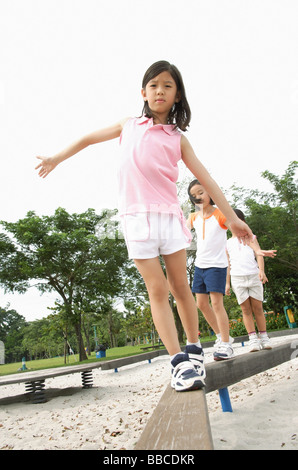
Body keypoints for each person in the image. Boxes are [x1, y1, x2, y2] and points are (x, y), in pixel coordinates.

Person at [35, 60, 253, 391]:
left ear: (177, 95)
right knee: (157, 290)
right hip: (136, 221)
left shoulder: (178, 139)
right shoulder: (128, 125)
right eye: (153, 85)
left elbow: (206, 177)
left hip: (167, 218)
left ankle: (194, 348)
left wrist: (234, 218)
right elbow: (88, 139)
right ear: (143, 92)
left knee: (181, 288)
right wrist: (56, 158)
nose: (159, 91)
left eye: (167, 86)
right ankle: (178, 362)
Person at [187, 179, 235, 361]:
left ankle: (227, 345)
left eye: (201, 192)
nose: (198, 197)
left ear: (210, 193)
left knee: (216, 304)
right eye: (194, 195)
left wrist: (254, 247)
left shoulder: (220, 214)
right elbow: (179, 231)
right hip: (200, 265)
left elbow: (235, 227)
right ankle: (221, 336)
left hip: (217, 265)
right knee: (201, 304)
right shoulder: (193, 217)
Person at [226, 209, 277, 352]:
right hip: (237, 278)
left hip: (253, 275)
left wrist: (261, 271)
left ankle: (264, 337)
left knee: (258, 308)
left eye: (238, 221)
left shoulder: (251, 237)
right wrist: (227, 283)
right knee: (245, 309)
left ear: (243, 222)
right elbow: (228, 264)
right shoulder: (227, 243)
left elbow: (259, 254)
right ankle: (253, 339)